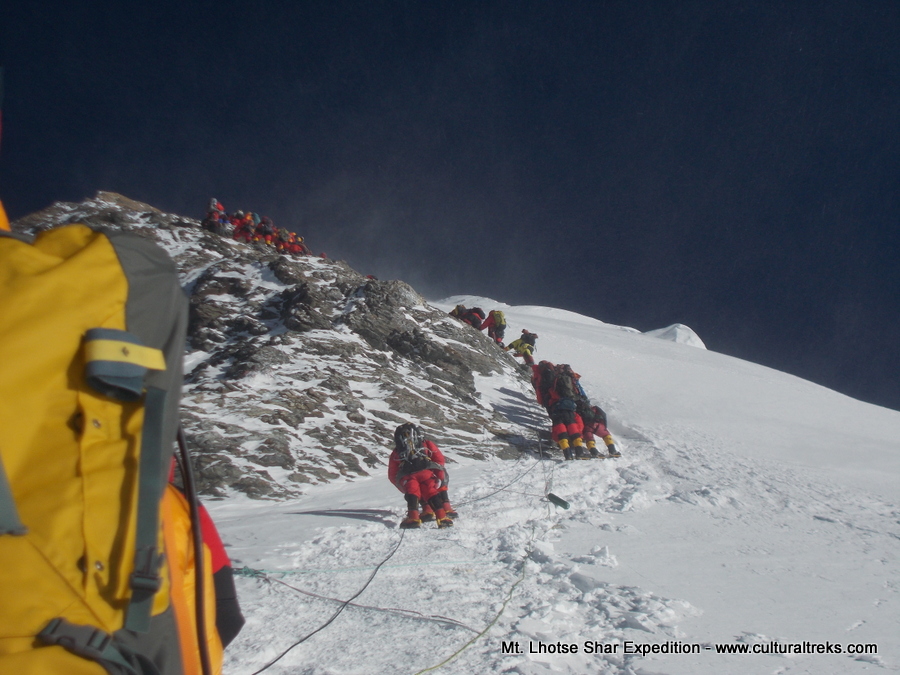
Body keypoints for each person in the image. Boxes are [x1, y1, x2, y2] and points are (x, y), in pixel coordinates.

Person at [388, 423, 454, 529]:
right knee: (431, 492)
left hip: (408, 476)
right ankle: (442, 518)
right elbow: (439, 459)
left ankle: (414, 518)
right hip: (426, 473)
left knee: (413, 493)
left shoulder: (397, 452)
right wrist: (436, 472)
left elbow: (392, 474)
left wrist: (402, 486)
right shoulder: (425, 444)